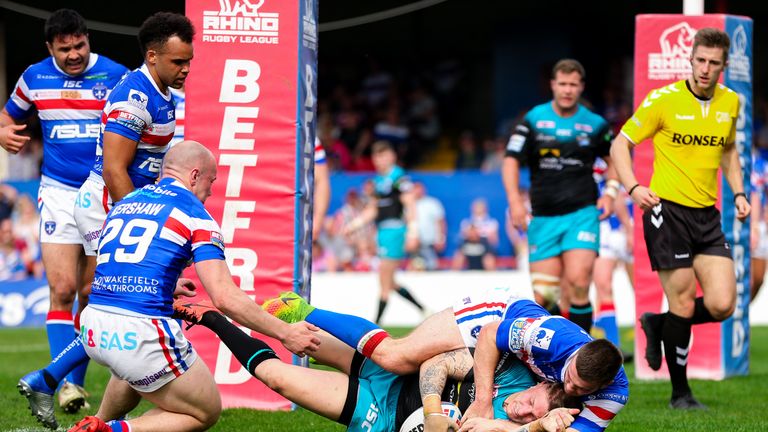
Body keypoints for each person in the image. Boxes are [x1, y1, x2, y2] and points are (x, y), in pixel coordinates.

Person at [22, 141, 321, 432]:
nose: (211, 191)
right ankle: (110, 430)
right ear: (194, 176)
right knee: (204, 411)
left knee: (134, 374)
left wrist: (162, 283)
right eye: (211, 181)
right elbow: (225, 297)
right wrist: (285, 332)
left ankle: (96, 421)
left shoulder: (126, 202)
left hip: (92, 328)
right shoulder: (195, 215)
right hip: (139, 332)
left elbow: (118, 266)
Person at [17, 12, 195, 428]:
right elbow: (115, 169)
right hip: (104, 205)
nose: (185, 69)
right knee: (114, 305)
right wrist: (139, 221)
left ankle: (46, 378)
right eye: (177, 62)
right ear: (153, 57)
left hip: (115, 205)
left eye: (189, 60)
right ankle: (53, 380)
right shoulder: (133, 98)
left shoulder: (159, 91)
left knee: (112, 305)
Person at [173, 300, 580, 432]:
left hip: (382, 415)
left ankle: (211, 318)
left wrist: (538, 426)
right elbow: (437, 362)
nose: (521, 409)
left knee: (277, 377)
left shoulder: (521, 428)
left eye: (529, 417)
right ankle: (297, 307)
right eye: (530, 402)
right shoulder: (512, 373)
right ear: (539, 384)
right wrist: (436, 411)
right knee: (312, 338)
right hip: (397, 376)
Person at [610, 28, 749, 409]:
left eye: (714, 63)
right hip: (666, 212)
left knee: (723, 305)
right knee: (684, 304)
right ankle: (680, 393)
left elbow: (729, 149)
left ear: (723, 66)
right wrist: (634, 187)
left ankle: (658, 324)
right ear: (690, 58)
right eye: (700, 60)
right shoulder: (663, 100)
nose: (705, 69)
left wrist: (738, 191)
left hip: (707, 216)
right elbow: (620, 144)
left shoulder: (731, 102)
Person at [261, 287, 626, 431]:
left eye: (580, 387)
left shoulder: (612, 397)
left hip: (509, 352)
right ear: (575, 355)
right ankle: (304, 309)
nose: (570, 386)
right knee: (396, 356)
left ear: (602, 387)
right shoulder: (552, 340)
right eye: (571, 376)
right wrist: (483, 401)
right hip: (491, 320)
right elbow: (489, 336)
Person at [0, 8, 129, 411]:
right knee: (61, 289)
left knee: (91, 293)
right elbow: (8, 116)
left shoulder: (117, 76)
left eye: (79, 45)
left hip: (100, 191)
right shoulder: (34, 77)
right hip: (56, 191)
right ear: (49, 48)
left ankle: (74, 382)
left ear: (88, 39)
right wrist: (3, 130)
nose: (73, 54)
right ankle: (67, 387)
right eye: (64, 49)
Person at [502, 59, 617, 333]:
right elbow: (510, 161)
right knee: (544, 295)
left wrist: (610, 193)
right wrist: (515, 202)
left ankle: (581, 355)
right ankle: (554, 355)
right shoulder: (533, 119)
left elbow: (615, 160)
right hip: (543, 216)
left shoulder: (595, 124)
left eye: (573, 85)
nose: (567, 90)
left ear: (581, 87)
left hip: (582, 214)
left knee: (579, 281)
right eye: (562, 84)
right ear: (553, 85)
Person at [345, 140, 425, 323]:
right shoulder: (377, 181)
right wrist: (353, 225)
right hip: (382, 232)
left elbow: (410, 203)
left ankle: (375, 323)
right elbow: (373, 210)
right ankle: (423, 309)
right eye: (376, 156)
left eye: (383, 155)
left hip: (395, 231)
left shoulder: (399, 177)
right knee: (389, 281)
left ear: (392, 156)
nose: (379, 160)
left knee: (384, 281)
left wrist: (413, 232)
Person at [591, 158, 634, 357]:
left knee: (605, 286)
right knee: (598, 287)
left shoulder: (604, 159)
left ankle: (614, 346)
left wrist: (627, 227)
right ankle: (605, 343)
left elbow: (614, 191)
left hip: (606, 228)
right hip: (591, 227)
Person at [410, 181, 446, 271]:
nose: (417, 191)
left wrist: (441, 238)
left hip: (429, 243)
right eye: (415, 189)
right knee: (414, 268)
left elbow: (440, 222)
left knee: (432, 267)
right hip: (413, 245)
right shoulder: (408, 205)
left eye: (419, 189)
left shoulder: (432, 203)